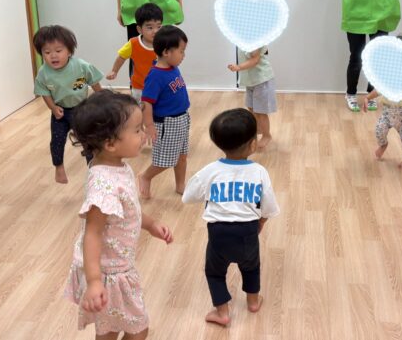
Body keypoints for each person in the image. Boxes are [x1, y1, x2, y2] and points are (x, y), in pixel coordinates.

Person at [64, 90, 173, 339]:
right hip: (107, 272)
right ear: (110, 144)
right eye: (136, 130)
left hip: (117, 266)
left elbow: (128, 209)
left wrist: (151, 224)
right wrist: (94, 281)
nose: (143, 134)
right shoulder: (104, 185)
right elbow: (92, 233)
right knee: (135, 330)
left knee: (112, 328)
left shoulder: (116, 165)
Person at [182, 108, 280, 327]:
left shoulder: (210, 170)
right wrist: (261, 222)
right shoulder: (259, 172)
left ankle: (222, 313)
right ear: (253, 144)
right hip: (248, 231)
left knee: (214, 272)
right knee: (251, 267)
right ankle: (253, 302)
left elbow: (188, 197)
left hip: (218, 233)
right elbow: (269, 207)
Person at [33, 25, 103, 184]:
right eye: (47, 52)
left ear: (69, 51)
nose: (53, 56)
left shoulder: (81, 66)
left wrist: (101, 100)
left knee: (88, 141)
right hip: (60, 112)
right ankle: (59, 167)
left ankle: (94, 169)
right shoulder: (43, 73)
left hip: (82, 111)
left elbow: (94, 82)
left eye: (58, 51)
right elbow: (44, 92)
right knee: (57, 141)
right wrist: (52, 107)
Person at [138, 25, 190, 199]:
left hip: (182, 118)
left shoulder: (172, 67)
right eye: (181, 51)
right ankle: (145, 177)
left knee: (182, 156)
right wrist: (149, 126)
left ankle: (180, 185)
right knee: (165, 161)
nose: (183, 55)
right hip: (167, 123)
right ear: (167, 52)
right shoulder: (155, 76)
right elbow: (146, 102)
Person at [106, 3, 162, 104]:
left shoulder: (163, 43)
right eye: (150, 27)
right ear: (139, 29)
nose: (155, 31)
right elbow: (121, 57)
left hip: (158, 86)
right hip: (139, 87)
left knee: (158, 108)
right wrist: (114, 71)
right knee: (138, 108)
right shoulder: (133, 43)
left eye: (159, 26)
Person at [363, 86, 402, 169]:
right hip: (387, 113)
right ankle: (383, 144)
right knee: (379, 130)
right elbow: (378, 90)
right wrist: (367, 97)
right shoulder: (387, 82)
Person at [227, 45, 276, 150]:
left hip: (261, 80)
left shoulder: (255, 41)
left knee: (260, 111)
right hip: (251, 80)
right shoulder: (244, 41)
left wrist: (238, 67)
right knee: (251, 107)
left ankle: (267, 135)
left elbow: (255, 60)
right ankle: (259, 128)